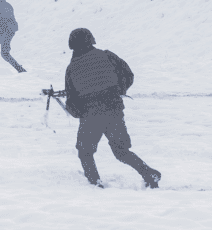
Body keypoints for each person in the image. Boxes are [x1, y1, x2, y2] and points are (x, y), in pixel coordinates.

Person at [64, 28, 161, 189]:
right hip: (114, 111)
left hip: (91, 116)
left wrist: (80, 112)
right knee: (121, 151)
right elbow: (128, 74)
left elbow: (72, 102)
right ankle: (149, 173)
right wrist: (118, 92)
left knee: (85, 152)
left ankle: (95, 184)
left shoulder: (71, 68)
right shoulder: (107, 56)